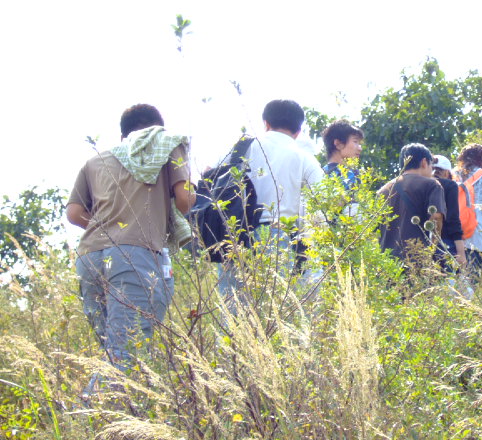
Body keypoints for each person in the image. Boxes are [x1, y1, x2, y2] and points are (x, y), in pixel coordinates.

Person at [67, 104, 194, 372]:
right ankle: (94, 401)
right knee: (126, 355)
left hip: (89, 257)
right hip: (134, 256)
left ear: (123, 135)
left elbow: (74, 213)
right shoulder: (168, 144)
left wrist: (109, 228)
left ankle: (107, 398)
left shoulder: (96, 161)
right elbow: (184, 201)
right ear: (158, 128)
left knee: (112, 352)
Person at [217, 99, 324, 309]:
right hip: (279, 236)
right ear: (298, 131)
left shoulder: (241, 148)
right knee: (274, 310)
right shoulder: (305, 157)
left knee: (233, 309)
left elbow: (210, 175)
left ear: (266, 123)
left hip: (234, 233)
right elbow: (320, 206)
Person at [378, 143, 446, 261]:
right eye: (431, 165)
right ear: (424, 162)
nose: (432, 170)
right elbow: (436, 217)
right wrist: (432, 248)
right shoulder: (432, 184)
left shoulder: (383, 190)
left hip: (386, 261)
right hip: (415, 257)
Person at [455, 143, 482, 276]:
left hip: (452, 234)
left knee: (453, 278)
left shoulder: (451, 175)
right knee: (472, 278)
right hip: (475, 235)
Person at [432, 154, 466, 269]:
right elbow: (452, 218)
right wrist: (461, 252)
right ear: (447, 172)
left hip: (422, 241)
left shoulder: (422, 184)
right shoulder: (450, 185)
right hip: (445, 242)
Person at [321, 119, 364, 188]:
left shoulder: (320, 173)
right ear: (338, 144)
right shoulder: (350, 175)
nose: (360, 149)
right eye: (355, 141)